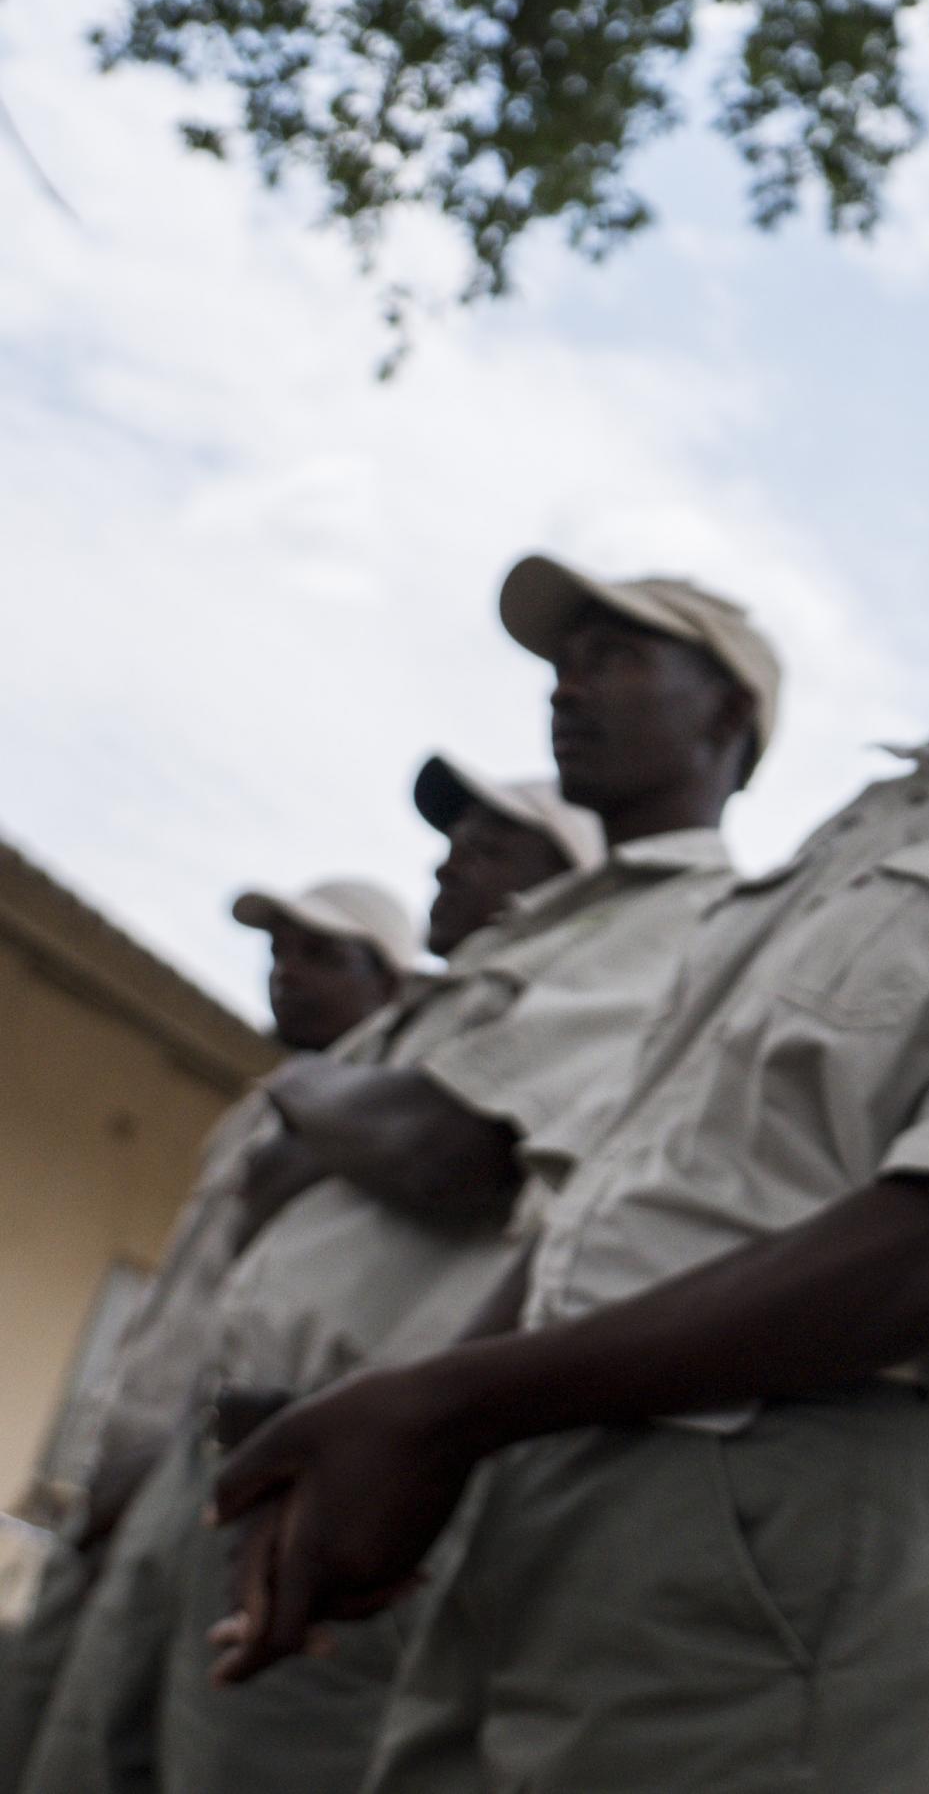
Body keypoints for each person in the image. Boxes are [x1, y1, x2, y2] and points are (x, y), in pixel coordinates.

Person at [207, 321, 929, 1794]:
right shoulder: (894, 807)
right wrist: (442, 1418)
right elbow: (611, 1194)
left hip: (778, 1508)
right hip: (552, 1465)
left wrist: (447, 1403)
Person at [27, 555, 774, 1794]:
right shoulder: (534, 946)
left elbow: (450, 1150)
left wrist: (314, 1096)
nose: (567, 687)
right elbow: (292, 1179)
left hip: (338, 1474)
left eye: (619, 659)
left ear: (729, 716)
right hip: (222, 1446)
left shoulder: (699, 923)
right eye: (562, 663)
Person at [0, 881, 417, 1794]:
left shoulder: (380, 1123)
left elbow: (260, 1339)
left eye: (320, 955)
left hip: (194, 1497)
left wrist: (168, 1487)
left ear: (388, 985)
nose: (287, 973)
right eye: (281, 951)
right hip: (115, 1488)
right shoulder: (262, 1108)